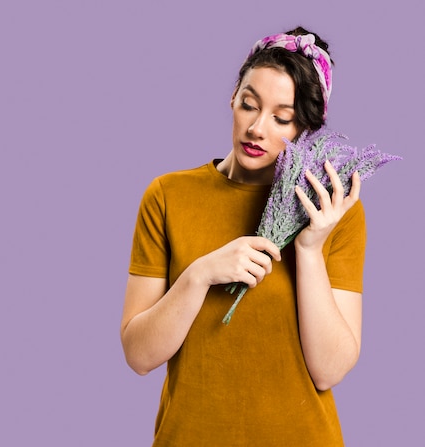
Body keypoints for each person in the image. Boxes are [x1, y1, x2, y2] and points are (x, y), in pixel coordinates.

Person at [120, 27, 365, 446]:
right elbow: (139, 356)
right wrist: (199, 275)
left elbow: (330, 369)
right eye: (249, 105)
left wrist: (308, 248)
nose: (257, 127)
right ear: (233, 96)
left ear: (306, 127)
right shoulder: (167, 196)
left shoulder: (332, 210)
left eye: (281, 118)